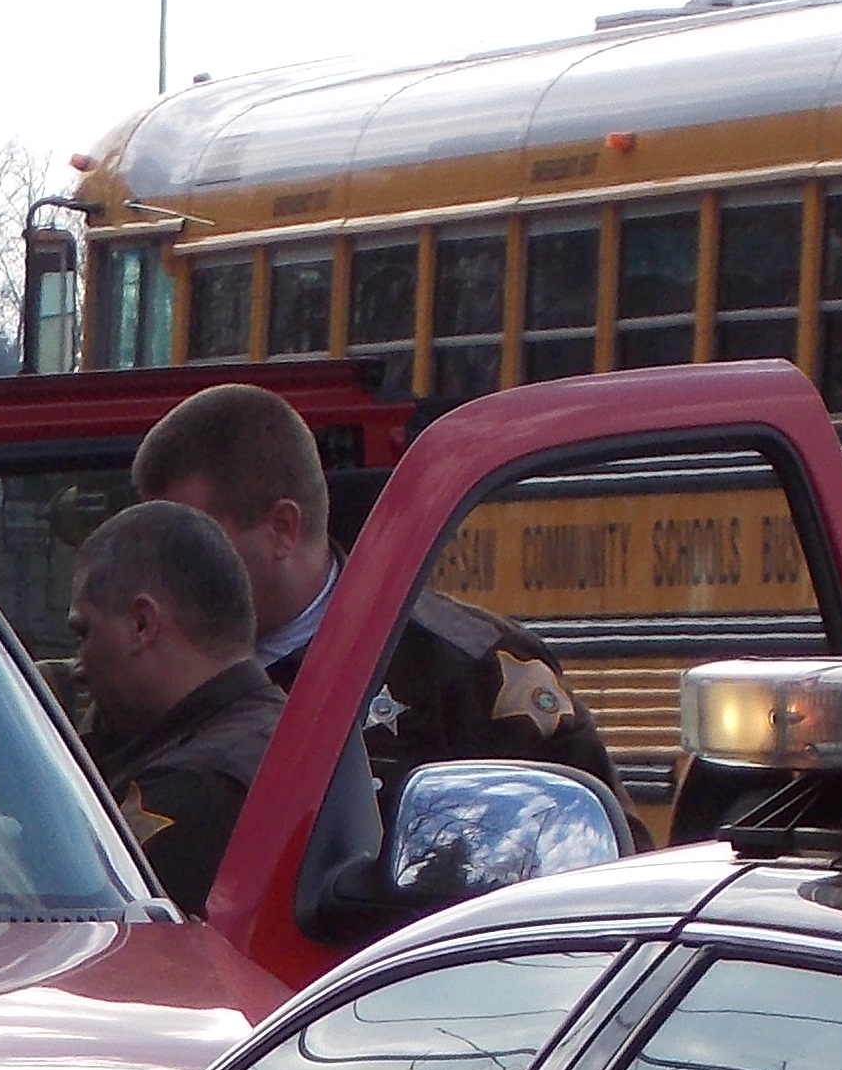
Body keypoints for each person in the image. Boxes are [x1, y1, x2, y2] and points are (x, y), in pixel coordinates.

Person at [130, 380, 631, 818]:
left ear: (282, 529)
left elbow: (601, 857)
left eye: (192, 545)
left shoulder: (467, 670)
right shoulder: (141, 670)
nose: (163, 576)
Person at [67, 501, 280, 918]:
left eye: (84, 631)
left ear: (141, 624)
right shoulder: (280, 733)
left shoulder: (192, 785)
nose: (77, 665)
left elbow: (76, 927)